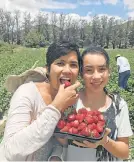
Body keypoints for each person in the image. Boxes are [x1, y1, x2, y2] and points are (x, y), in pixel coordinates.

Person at [0, 41, 81, 161]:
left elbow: (57, 140)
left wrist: (56, 156)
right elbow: (11, 150)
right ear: (47, 69)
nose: (67, 70)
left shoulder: (71, 100)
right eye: (60, 63)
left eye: (73, 65)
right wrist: (56, 107)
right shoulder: (27, 92)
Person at [52, 46, 133, 161]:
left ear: (109, 71)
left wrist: (105, 141)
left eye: (102, 69)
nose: (96, 76)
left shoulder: (118, 105)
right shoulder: (70, 101)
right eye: (89, 70)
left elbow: (124, 153)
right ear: (81, 73)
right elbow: (61, 142)